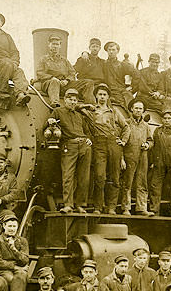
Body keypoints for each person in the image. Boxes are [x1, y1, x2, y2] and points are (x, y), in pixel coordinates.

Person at [80, 83, 130, 214]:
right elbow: (77, 108)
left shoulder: (114, 111)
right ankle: (98, 207)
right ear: (96, 96)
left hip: (113, 143)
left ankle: (112, 207)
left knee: (114, 176)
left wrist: (123, 141)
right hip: (99, 144)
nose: (102, 97)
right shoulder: (91, 110)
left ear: (108, 97)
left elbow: (126, 127)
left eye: (104, 94)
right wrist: (86, 105)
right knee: (99, 176)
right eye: (100, 94)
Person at [51, 88, 93, 214]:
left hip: (84, 146)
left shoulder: (79, 115)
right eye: (70, 99)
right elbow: (49, 125)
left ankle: (81, 205)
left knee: (84, 177)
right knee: (68, 176)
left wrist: (89, 139)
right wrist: (50, 121)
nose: (73, 102)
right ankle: (68, 204)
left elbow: (87, 131)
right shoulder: (58, 112)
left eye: (75, 100)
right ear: (65, 100)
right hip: (69, 145)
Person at [35, 34, 91, 106]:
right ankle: (55, 104)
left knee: (88, 82)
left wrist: (67, 80)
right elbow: (39, 73)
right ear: (49, 45)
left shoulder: (64, 60)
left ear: (60, 46)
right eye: (53, 44)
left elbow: (72, 72)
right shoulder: (43, 59)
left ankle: (89, 105)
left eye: (57, 44)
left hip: (64, 84)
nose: (55, 46)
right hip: (50, 83)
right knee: (54, 82)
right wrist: (52, 77)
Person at [120, 98, 154, 216]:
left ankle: (141, 208)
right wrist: (122, 159)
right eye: (136, 108)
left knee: (142, 182)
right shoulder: (126, 123)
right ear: (131, 109)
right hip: (129, 155)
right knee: (127, 182)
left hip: (143, 156)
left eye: (140, 108)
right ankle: (126, 208)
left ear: (143, 110)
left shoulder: (146, 126)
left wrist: (147, 145)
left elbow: (151, 140)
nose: (138, 110)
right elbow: (120, 142)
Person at [102, 41, 148, 108]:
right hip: (107, 89)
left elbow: (136, 74)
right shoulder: (103, 64)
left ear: (117, 51)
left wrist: (132, 87)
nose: (111, 52)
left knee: (132, 103)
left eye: (113, 50)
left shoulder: (122, 65)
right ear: (107, 51)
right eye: (109, 50)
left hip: (120, 90)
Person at [138, 53, 171, 121]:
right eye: (153, 62)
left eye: (157, 62)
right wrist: (152, 93)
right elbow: (142, 87)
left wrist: (158, 93)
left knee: (169, 100)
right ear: (149, 62)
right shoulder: (142, 72)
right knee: (164, 106)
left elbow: (161, 88)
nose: (155, 64)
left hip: (154, 98)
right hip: (144, 97)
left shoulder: (159, 75)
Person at [74, 38, 106, 103]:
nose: (95, 48)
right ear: (89, 48)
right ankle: (90, 105)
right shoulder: (83, 59)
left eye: (97, 47)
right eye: (93, 46)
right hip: (86, 85)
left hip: (98, 85)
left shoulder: (102, 62)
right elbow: (74, 70)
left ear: (99, 48)